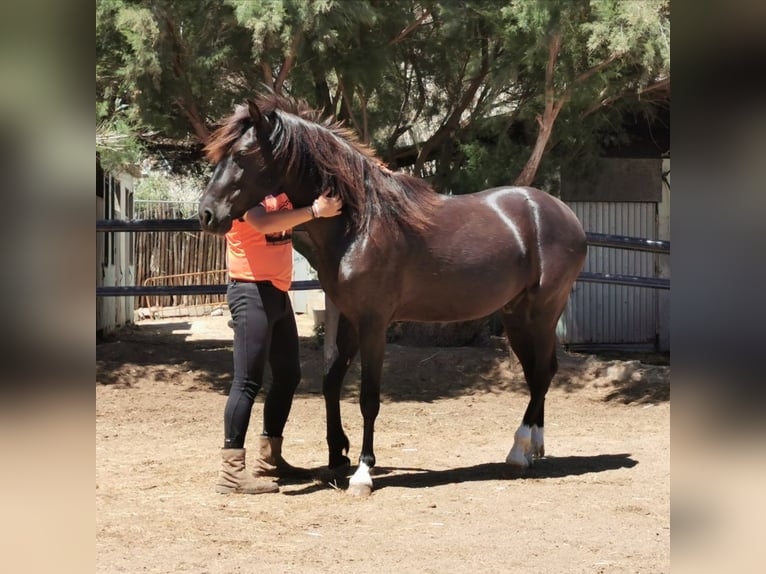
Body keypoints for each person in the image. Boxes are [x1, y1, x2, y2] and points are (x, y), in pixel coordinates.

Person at [215, 190, 343, 495]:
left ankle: (270, 461)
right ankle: (231, 472)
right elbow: (259, 222)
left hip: (277, 292)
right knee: (247, 380)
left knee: (288, 375)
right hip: (250, 291)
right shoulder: (244, 188)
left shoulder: (281, 190)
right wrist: (314, 210)